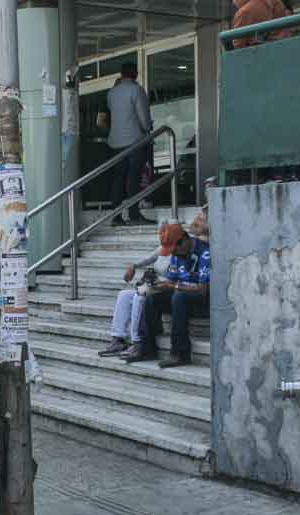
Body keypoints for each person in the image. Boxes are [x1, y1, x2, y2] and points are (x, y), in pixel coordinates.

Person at [123, 223, 210, 368]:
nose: (173, 254)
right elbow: (172, 280)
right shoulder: (177, 254)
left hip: (203, 302)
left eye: (174, 249)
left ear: (184, 240)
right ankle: (147, 347)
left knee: (178, 296)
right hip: (181, 299)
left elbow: (202, 290)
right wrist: (158, 286)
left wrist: (173, 286)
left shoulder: (204, 252)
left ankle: (180, 353)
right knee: (152, 298)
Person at [99, 222, 171, 357]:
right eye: (160, 232)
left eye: (165, 232)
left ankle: (137, 341)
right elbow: (147, 259)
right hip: (153, 286)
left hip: (166, 287)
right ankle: (118, 339)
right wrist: (133, 266)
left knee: (139, 295)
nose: (161, 236)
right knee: (124, 295)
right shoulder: (162, 249)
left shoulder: (179, 250)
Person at [106, 63, 153, 225]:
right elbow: (143, 118)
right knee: (134, 178)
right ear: (135, 74)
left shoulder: (112, 93)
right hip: (134, 141)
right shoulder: (136, 90)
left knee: (118, 179)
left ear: (122, 73)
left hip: (115, 143)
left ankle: (116, 216)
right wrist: (148, 129)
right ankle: (134, 214)